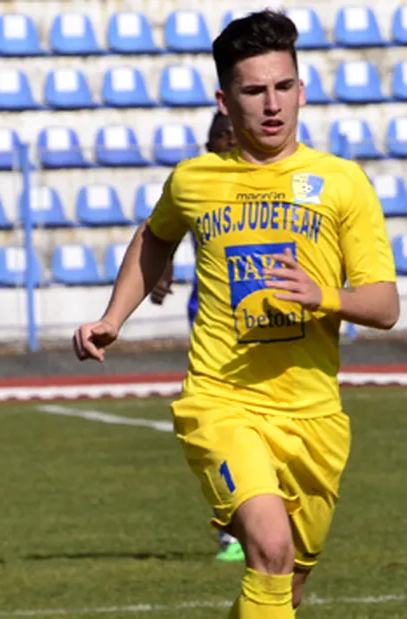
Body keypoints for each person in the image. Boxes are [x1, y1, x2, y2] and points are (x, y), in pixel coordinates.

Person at [72, 10, 399, 618]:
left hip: (314, 417)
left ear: (302, 90)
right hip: (222, 400)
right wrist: (113, 317)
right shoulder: (195, 180)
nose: (271, 105)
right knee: (269, 549)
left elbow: (384, 306)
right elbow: (155, 236)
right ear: (225, 101)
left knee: (286, 584)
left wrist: (323, 295)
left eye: (282, 87)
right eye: (253, 91)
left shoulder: (342, 184)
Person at [148, 111, 245, 563]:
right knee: (222, 419)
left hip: (264, 318)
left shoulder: (266, 176)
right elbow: (163, 233)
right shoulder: (200, 180)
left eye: (227, 135)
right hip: (209, 314)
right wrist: (160, 273)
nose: (222, 143)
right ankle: (231, 530)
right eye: (217, 138)